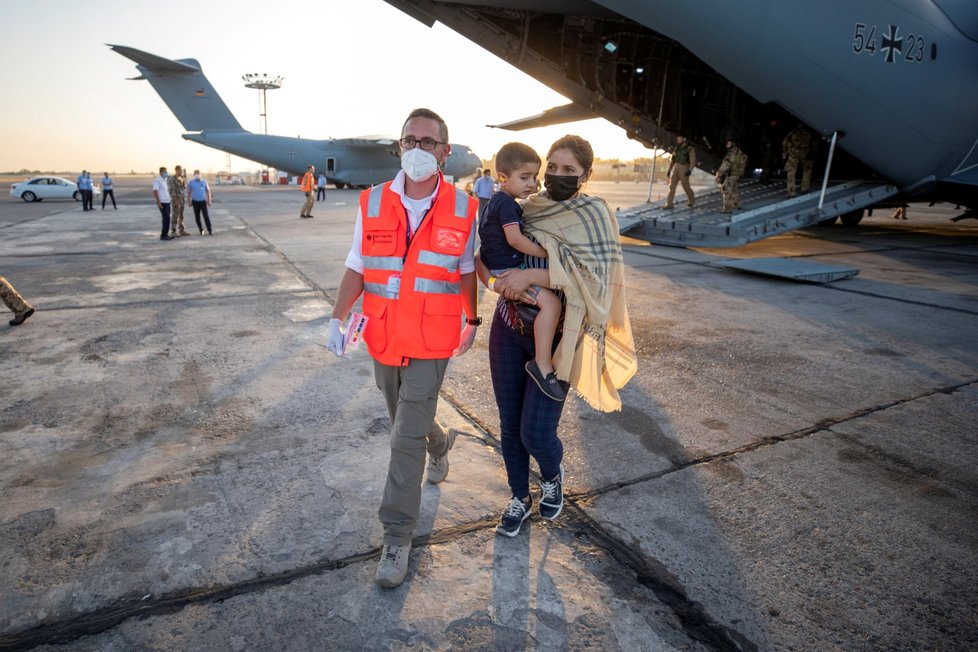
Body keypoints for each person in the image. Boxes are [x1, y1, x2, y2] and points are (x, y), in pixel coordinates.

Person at [324, 108, 479, 589]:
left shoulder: (464, 206)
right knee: (404, 422)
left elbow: (468, 270)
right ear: (399, 146)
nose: (417, 149)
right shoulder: (371, 202)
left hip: (434, 339)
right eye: (409, 140)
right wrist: (337, 314)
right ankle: (441, 440)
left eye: (428, 142)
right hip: (385, 336)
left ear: (445, 152)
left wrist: (472, 320)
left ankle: (397, 536)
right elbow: (358, 264)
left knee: (401, 440)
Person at [479, 134, 637, 538]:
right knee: (510, 425)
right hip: (509, 327)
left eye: (570, 170)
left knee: (537, 432)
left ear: (586, 174)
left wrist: (531, 275)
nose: (558, 175)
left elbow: (596, 278)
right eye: (554, 167)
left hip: (561, 338)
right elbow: (486, 256)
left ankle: (551, 475)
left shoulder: (594, 215)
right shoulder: (526, 208)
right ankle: (519, 497)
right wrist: (498, 285)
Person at [478, 142, 564, 401]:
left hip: (499, 266)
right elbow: (515, 239)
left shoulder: (497, 201)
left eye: (534, 177)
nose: (532, 183)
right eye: (524, 177)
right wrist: (547, 253)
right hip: (507, 268)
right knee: (551, 304)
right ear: (503, 178)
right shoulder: (507, 205)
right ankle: (542, 363)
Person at [664, 132, 697, 208]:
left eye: (679, 139)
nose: (678, 140)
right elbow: (673, 160)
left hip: (684, 167)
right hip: (676, 167)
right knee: (672, 185)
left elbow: (693, 160)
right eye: (677, 139)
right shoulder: (677, 148)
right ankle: (669, 203)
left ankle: (691, 199)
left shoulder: (690, 148)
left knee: (685, 185)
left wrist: (690, 170)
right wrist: (669, 170)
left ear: (684, 139)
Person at [783, 124, 816, 198]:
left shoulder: (793, 133)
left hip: (793, 153)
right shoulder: (810, 133)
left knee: (791, 173)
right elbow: (814, 145)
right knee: (807, 171)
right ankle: (805, 188)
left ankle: (791, 192)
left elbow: (785, 143)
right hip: (806, 153)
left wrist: (785, 155)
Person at [715, 139, 747, 213]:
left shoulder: (731, 152)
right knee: (734, 190)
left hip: (730, 174)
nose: (726, 145)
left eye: (728, 143)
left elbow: (727, 163)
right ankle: (735, 204)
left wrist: (719, 173)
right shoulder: (738, 151)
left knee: (726, 191)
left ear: (732, 143)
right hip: (736, 174)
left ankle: (727, 208)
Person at [187, 169, 213, 234]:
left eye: (198, 173)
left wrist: (209, 200)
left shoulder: (204, 182)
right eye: (195, 173)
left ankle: (210, 230)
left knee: (206, 216)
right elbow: (189, 193)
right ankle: (201, 230)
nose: (197, 175)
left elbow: (208, 191)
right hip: (195, 202)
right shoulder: (191, 182)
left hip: (203, 201)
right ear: (194, 175)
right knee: (197, 217)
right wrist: (189, 201)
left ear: (200, 174)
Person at [153, 166, 174, 241]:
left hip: (167, 202)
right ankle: (163, 235)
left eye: (166, 171)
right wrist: (158, 202)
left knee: (167, 219)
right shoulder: (157, 180)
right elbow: (155, 191)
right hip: (162, 202)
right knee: (165, 219)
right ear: (161, 172)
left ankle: (166, 234)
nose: (166, 173)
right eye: (165, 172)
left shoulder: (164, 180)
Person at [168, 165, 190, 236]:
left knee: (181, 216)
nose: (181, 172)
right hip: (176, 200)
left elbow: (183, 188)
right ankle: (173, 231)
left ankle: (181, 230)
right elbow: (172, 191)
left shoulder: (181, 178)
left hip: (182, 200)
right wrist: (175, 201)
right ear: (176, 170)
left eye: (182, 170)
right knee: (175, 216)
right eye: (180, 170)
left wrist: (184, 182)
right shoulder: (172, 179)